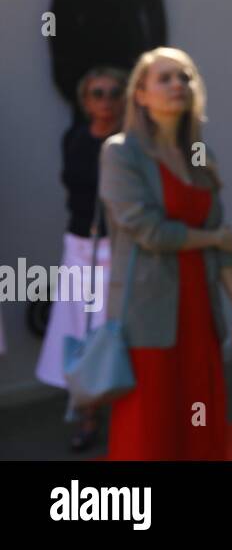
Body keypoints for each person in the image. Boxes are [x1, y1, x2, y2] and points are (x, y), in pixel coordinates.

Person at [100, 46, 232, 460]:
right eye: (165, 78)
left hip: (199, 313)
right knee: (150, 429)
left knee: (200, 421)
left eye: (185, 78)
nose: (177, 85)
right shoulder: (121, 153)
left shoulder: (200, 157)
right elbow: (150, 232)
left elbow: (224, 243)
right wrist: (212, 240)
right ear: (140, 94)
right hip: (147, 316)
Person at [35, 65, 128, 450]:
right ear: (85, 101)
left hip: (118, 249)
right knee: (81, 330)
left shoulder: (130, 143)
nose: (104, 101)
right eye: (97, 94)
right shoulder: (73, 138)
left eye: (112, 93)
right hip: (78, 247)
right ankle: (88, 415)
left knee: (117, 331)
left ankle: (127, 414)